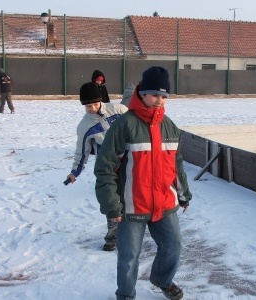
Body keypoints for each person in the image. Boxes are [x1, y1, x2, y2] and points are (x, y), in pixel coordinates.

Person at [94, 66, 192, 300]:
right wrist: (111, 205)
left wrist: (183, 193)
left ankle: (162, 279)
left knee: (174, 246)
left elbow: (176, 166)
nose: (159, 100)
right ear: (142, 93)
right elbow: (106, 167)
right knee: (129, 257)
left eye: (164, 96)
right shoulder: (124, 125)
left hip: (164, 202)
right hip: (131, 206)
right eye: (155, 95)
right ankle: (126, 295)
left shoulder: (169, 126)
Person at [65, 81, 129, 251]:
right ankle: (112, 238)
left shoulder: (118, 110)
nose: (92, 108)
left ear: (100, 100)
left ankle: (132, 232)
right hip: (108, 167)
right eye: (87, 106)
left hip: (129, 161)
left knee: (131, 198)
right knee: (112, 202)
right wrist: (74, 172)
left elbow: (136, 129)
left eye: (94, 104)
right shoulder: (85, 126)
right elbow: (82, 152)